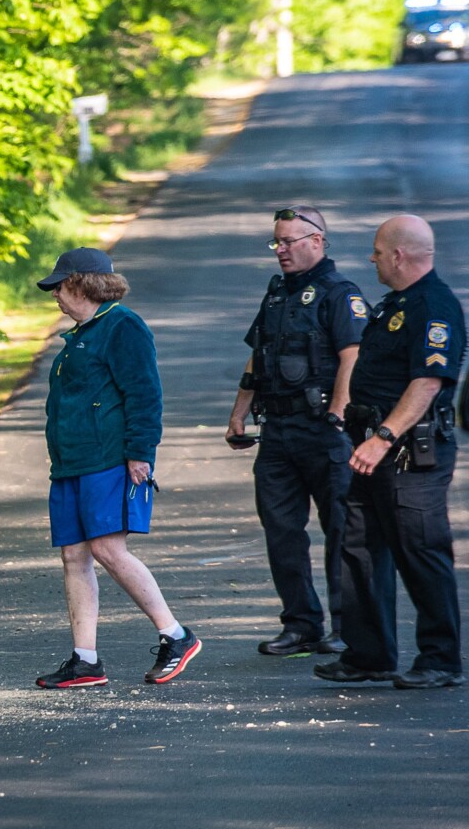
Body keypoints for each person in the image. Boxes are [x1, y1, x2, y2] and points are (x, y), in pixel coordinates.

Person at [34, 248, 201, 688]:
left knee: (108, 549)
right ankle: (85, 660)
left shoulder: (122, 326)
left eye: (58, 286)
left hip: (108, 458)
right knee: (74, 555)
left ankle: (176, 635)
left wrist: (141, 453)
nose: (54, 295)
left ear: (80, 284)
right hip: (72, 462)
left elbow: (145, 394)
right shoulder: (80, 334)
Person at [315, 215, 464, 690]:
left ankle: (441, 659)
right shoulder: (396, 303)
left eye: (378, 251)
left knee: (420, 551)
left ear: (399, 255)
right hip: (371, 447)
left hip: (408, 453)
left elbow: (428, 382)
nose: (372, 258)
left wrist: (383, 437)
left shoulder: (433, 306)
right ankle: (369, 655)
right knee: (357, 548)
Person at [227, 207, 368, 656]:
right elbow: (259, 356)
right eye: (276, 242)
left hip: (325, 430)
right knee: (281, 530)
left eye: (288, 241)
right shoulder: (276, 294)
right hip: (279, 432)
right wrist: (239, 412)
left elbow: (352, 354)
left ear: (318, 240)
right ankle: (301, 623)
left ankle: (347, 627)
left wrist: (341, 413)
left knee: (341, 531)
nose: (281, 251)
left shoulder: (339, 293)